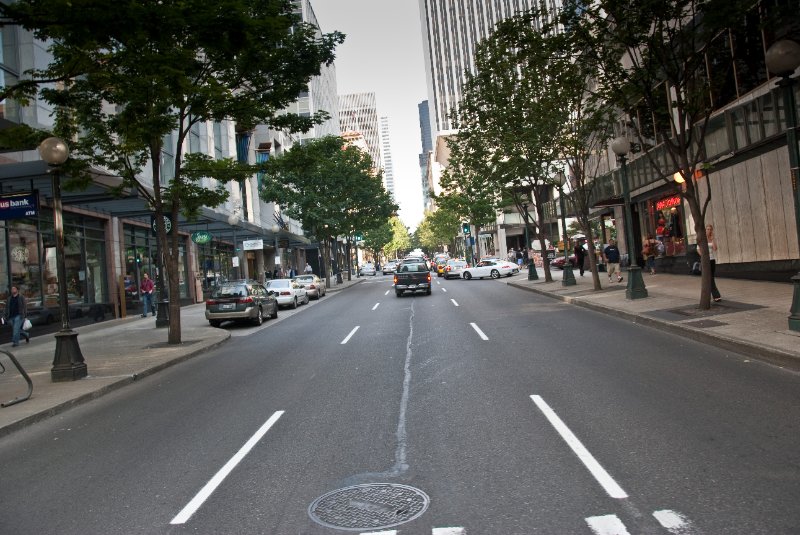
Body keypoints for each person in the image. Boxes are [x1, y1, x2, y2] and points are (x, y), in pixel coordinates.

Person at [700, 224, 722, 302]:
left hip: (712, 260)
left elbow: (715, 249)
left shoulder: (711, 239)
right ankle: (716, 295)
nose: (709, 231)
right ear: (705, 230)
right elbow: (698, 250)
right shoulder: (702, 238)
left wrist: (713, 239)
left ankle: (709, 296)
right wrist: (704, 256)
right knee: (710, 278)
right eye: (707, 229)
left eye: (710, 229)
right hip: (706, 260)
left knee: (711, 277)